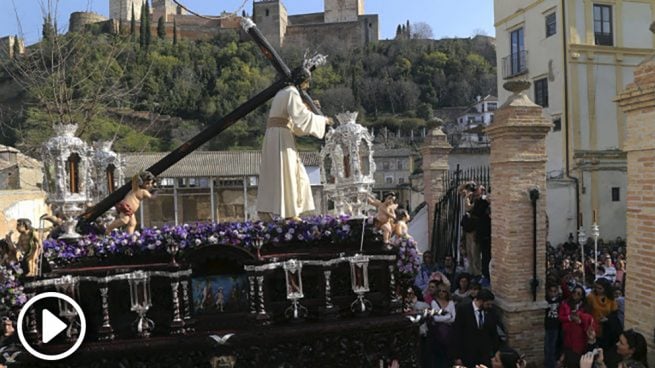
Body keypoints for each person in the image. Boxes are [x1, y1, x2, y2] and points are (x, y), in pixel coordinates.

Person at [256, 68, 333, 221]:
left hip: (275, 134)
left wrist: (307, 107)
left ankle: (266, 210)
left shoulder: (282, 92)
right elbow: (301, 118)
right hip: (281, 136)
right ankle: (290, 213)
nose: (308, 86)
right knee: (290, 172)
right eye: (306, 82)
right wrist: (323, 120)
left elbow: (296, 120)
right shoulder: (291, 92)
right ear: (301, 81)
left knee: (275, 174)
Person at [453, 288, 500, 368]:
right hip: (468, 353)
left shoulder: (491, 312)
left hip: (485, 354)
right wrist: (457, 356)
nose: (490, 306)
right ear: (481, 301)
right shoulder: (463, 310)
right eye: (488, 304)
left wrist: (495, 352)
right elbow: (457, 333)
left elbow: (493, 333)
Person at [579, 329, 649, 368]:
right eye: (619, 340)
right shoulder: (614, 353)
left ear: (632, 350)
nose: (617, 344)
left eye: (621, 343)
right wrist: (600, 363)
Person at [427, 281, 456, 368]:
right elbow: (435, 318)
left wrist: (446, 317)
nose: (442, 293)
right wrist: (448, 316)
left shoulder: (451, 303)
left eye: (444, 291)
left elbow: (454, 318)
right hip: (438, 333)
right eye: (440, 291)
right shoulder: (434, 302)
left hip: (450, 333)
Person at [544, 283, 562, 368]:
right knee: (547, 347)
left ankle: (551, 365)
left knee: (552, 347)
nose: (553, 293)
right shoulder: (545, 300)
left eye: (555, 291)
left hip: (555, 326)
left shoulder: (560, 300)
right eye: (551, 291)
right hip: (546, 326)